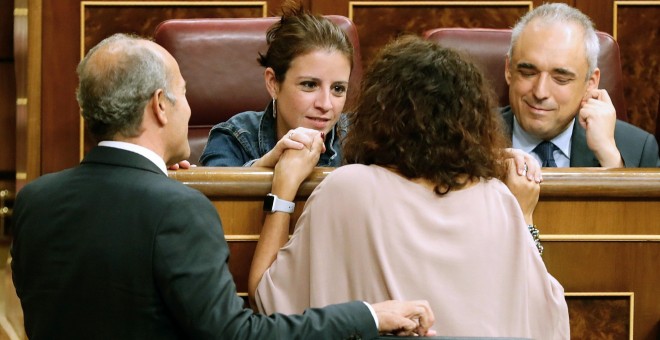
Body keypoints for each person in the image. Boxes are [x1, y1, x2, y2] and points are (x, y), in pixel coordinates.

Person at [9, 33, 437, 339]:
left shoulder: (35, 200)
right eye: (183, 91)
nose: (190, 105)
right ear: (161, 105)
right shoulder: (180, 208)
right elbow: (236, 334)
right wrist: (366, 316)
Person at [248, 36, 569, 339]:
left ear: (379, 111)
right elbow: (550, 317)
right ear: (472, 121)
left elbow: (267, 301)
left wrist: (284, 191)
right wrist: (525, 215)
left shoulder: (346, 188)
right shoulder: (496, 196)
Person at [502, 2, 659, 167]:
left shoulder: (639, 149)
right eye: (528, 73)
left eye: (561, 79)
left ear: (590, 83)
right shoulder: (473, 138)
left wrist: (610, 159)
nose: (540, 92)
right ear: (509, 70)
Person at [199, 3, 352, 167]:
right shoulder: (234, 137)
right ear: (273, 83)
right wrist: (265, 166)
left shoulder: (360, 138)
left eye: (338, 89)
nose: (325, 104)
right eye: (309, 85)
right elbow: (215, 190)